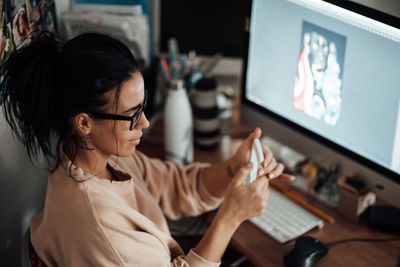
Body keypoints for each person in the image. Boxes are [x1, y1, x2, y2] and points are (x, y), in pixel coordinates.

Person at [1, 32, 294, 266]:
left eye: (142, 107)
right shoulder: (99, 225)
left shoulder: (99, 155)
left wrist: (234, 167)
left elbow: (176, 185)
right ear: (85, 123)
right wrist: (230, 217)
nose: (145, 122)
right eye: (131, 114)